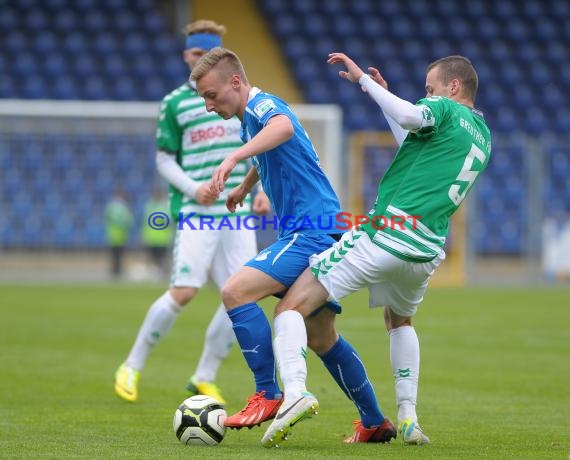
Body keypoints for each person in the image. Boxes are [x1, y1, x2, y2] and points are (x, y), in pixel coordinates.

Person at [262, 52, 491, 447]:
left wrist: (363, 84)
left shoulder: (444, 109)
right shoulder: (482, 133)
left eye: (430, 89)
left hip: (386, 233)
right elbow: (415, 143)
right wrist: (386, 97)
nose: (426, 96)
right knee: (399, 321)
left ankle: (295, 392)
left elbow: (412, 117)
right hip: (427, 249)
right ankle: (408, 417)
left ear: (453, 87)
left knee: (290, 307)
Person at [191, 47, 396, 444]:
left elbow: (283, 128)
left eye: (211, 95)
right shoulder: (250, 121)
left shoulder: (264, 105)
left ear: (236, 82)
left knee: (235, 291)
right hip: (319, 229)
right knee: (321, 337)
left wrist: (233, 157)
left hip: (312, 230)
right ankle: (374, 421)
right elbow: (272, 151)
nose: (207, 105)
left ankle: (267, 393)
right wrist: (246, 186)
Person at [114, 20, 270, 404]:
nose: (206, 64)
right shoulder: (176, 103)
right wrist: (192, 188)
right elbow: (164, 161)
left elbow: (258, 146)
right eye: (200, 56)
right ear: (188, 56)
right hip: (197, 211)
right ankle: (131, 365)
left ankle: (204, 374)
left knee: (244, 294)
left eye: (214, 57)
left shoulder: (240, 99)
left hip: (237, 211)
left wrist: (261, 189)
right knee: (184, 291)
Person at [140, 187, 172, 277]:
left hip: (163, 238)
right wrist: (144, 235)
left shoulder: (166, 206)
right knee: (153, 257)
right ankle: (155, 273)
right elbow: (145, 221)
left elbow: (168, 220)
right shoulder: (150, 205)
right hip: (152, 237)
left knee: (162, 257)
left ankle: (161, 273)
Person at [104, 188, 134, 279]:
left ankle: (116, 270)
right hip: (117, 234)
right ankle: (116, 270)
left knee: (117, 254)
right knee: (116, 254)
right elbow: (127, 219)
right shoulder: (119, 206)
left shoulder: (113, 206)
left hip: (117, 234)